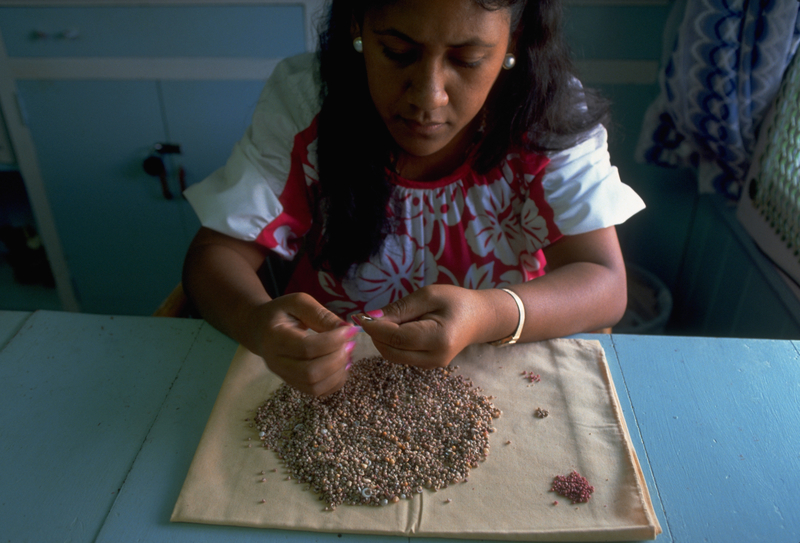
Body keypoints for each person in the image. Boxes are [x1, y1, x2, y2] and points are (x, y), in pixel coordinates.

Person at [182, 0, 645, 397]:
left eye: (467, 60)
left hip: (502, 367)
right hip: (331, 377)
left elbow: (604, 280)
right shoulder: (307, 101)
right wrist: (257, 324)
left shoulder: (547, 115)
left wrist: (487, 314)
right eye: (398, 52)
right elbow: (215, 255)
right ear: (357, 27)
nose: (429, 97)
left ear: (514, 42)